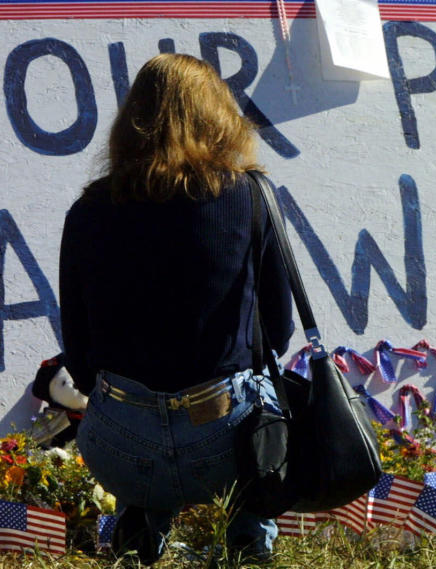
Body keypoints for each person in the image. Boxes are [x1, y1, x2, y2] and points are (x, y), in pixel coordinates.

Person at [59, 53, 293, 565]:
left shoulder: (88, 208)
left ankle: (139, 531)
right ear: (218, 117)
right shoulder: (250, 196)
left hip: (119, 445)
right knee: (261, 399)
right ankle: (248, 541)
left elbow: (76, 343)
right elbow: (278, 327)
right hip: (227, 444)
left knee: (135, 405)